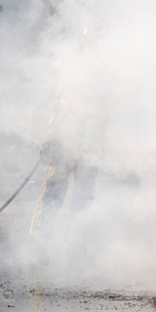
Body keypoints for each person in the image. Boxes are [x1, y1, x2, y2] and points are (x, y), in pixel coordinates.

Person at [30, 25, 107, 235]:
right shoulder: (68, 66)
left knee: (82, 198)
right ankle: (41, 239)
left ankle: (73, 241)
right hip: (64, 144)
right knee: (54, 194)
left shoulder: (105, 73)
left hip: (88, 150)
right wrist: (48, 139)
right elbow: (58, 101)